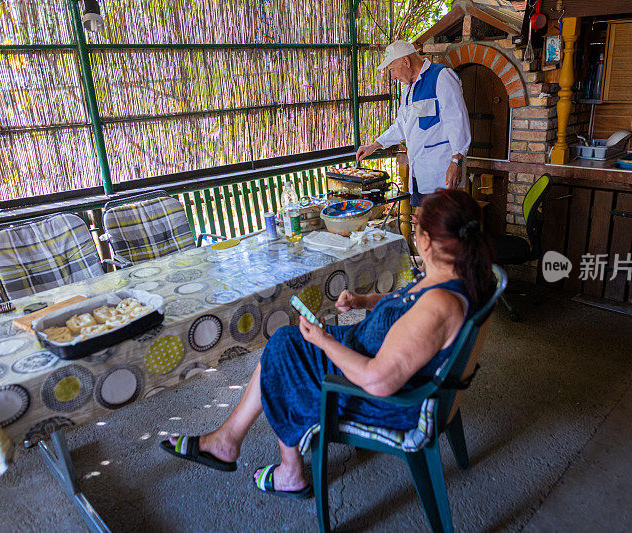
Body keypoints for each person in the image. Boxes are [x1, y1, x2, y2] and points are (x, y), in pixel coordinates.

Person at [161, 189, 494, 499]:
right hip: (372, 351)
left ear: (425, 239)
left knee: (283, 353)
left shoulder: (439, 305)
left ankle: (282, 469)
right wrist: (364, 300)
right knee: (286, 342)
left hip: (390, 399)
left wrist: (323, 341)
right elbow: (406, 305)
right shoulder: (456, 273)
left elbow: (378, 381)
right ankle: (229, 441)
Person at [355, 40, 471, 208]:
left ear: (406, 61)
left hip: (442, 172)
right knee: (422, 226)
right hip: (420, 172)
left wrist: (457, 161)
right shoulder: (408, 89)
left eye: (392, 70)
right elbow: (401, 125)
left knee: (443, 227)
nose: (393, 76)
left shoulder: (442, 77)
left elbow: (458, 121)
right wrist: (374, 145)